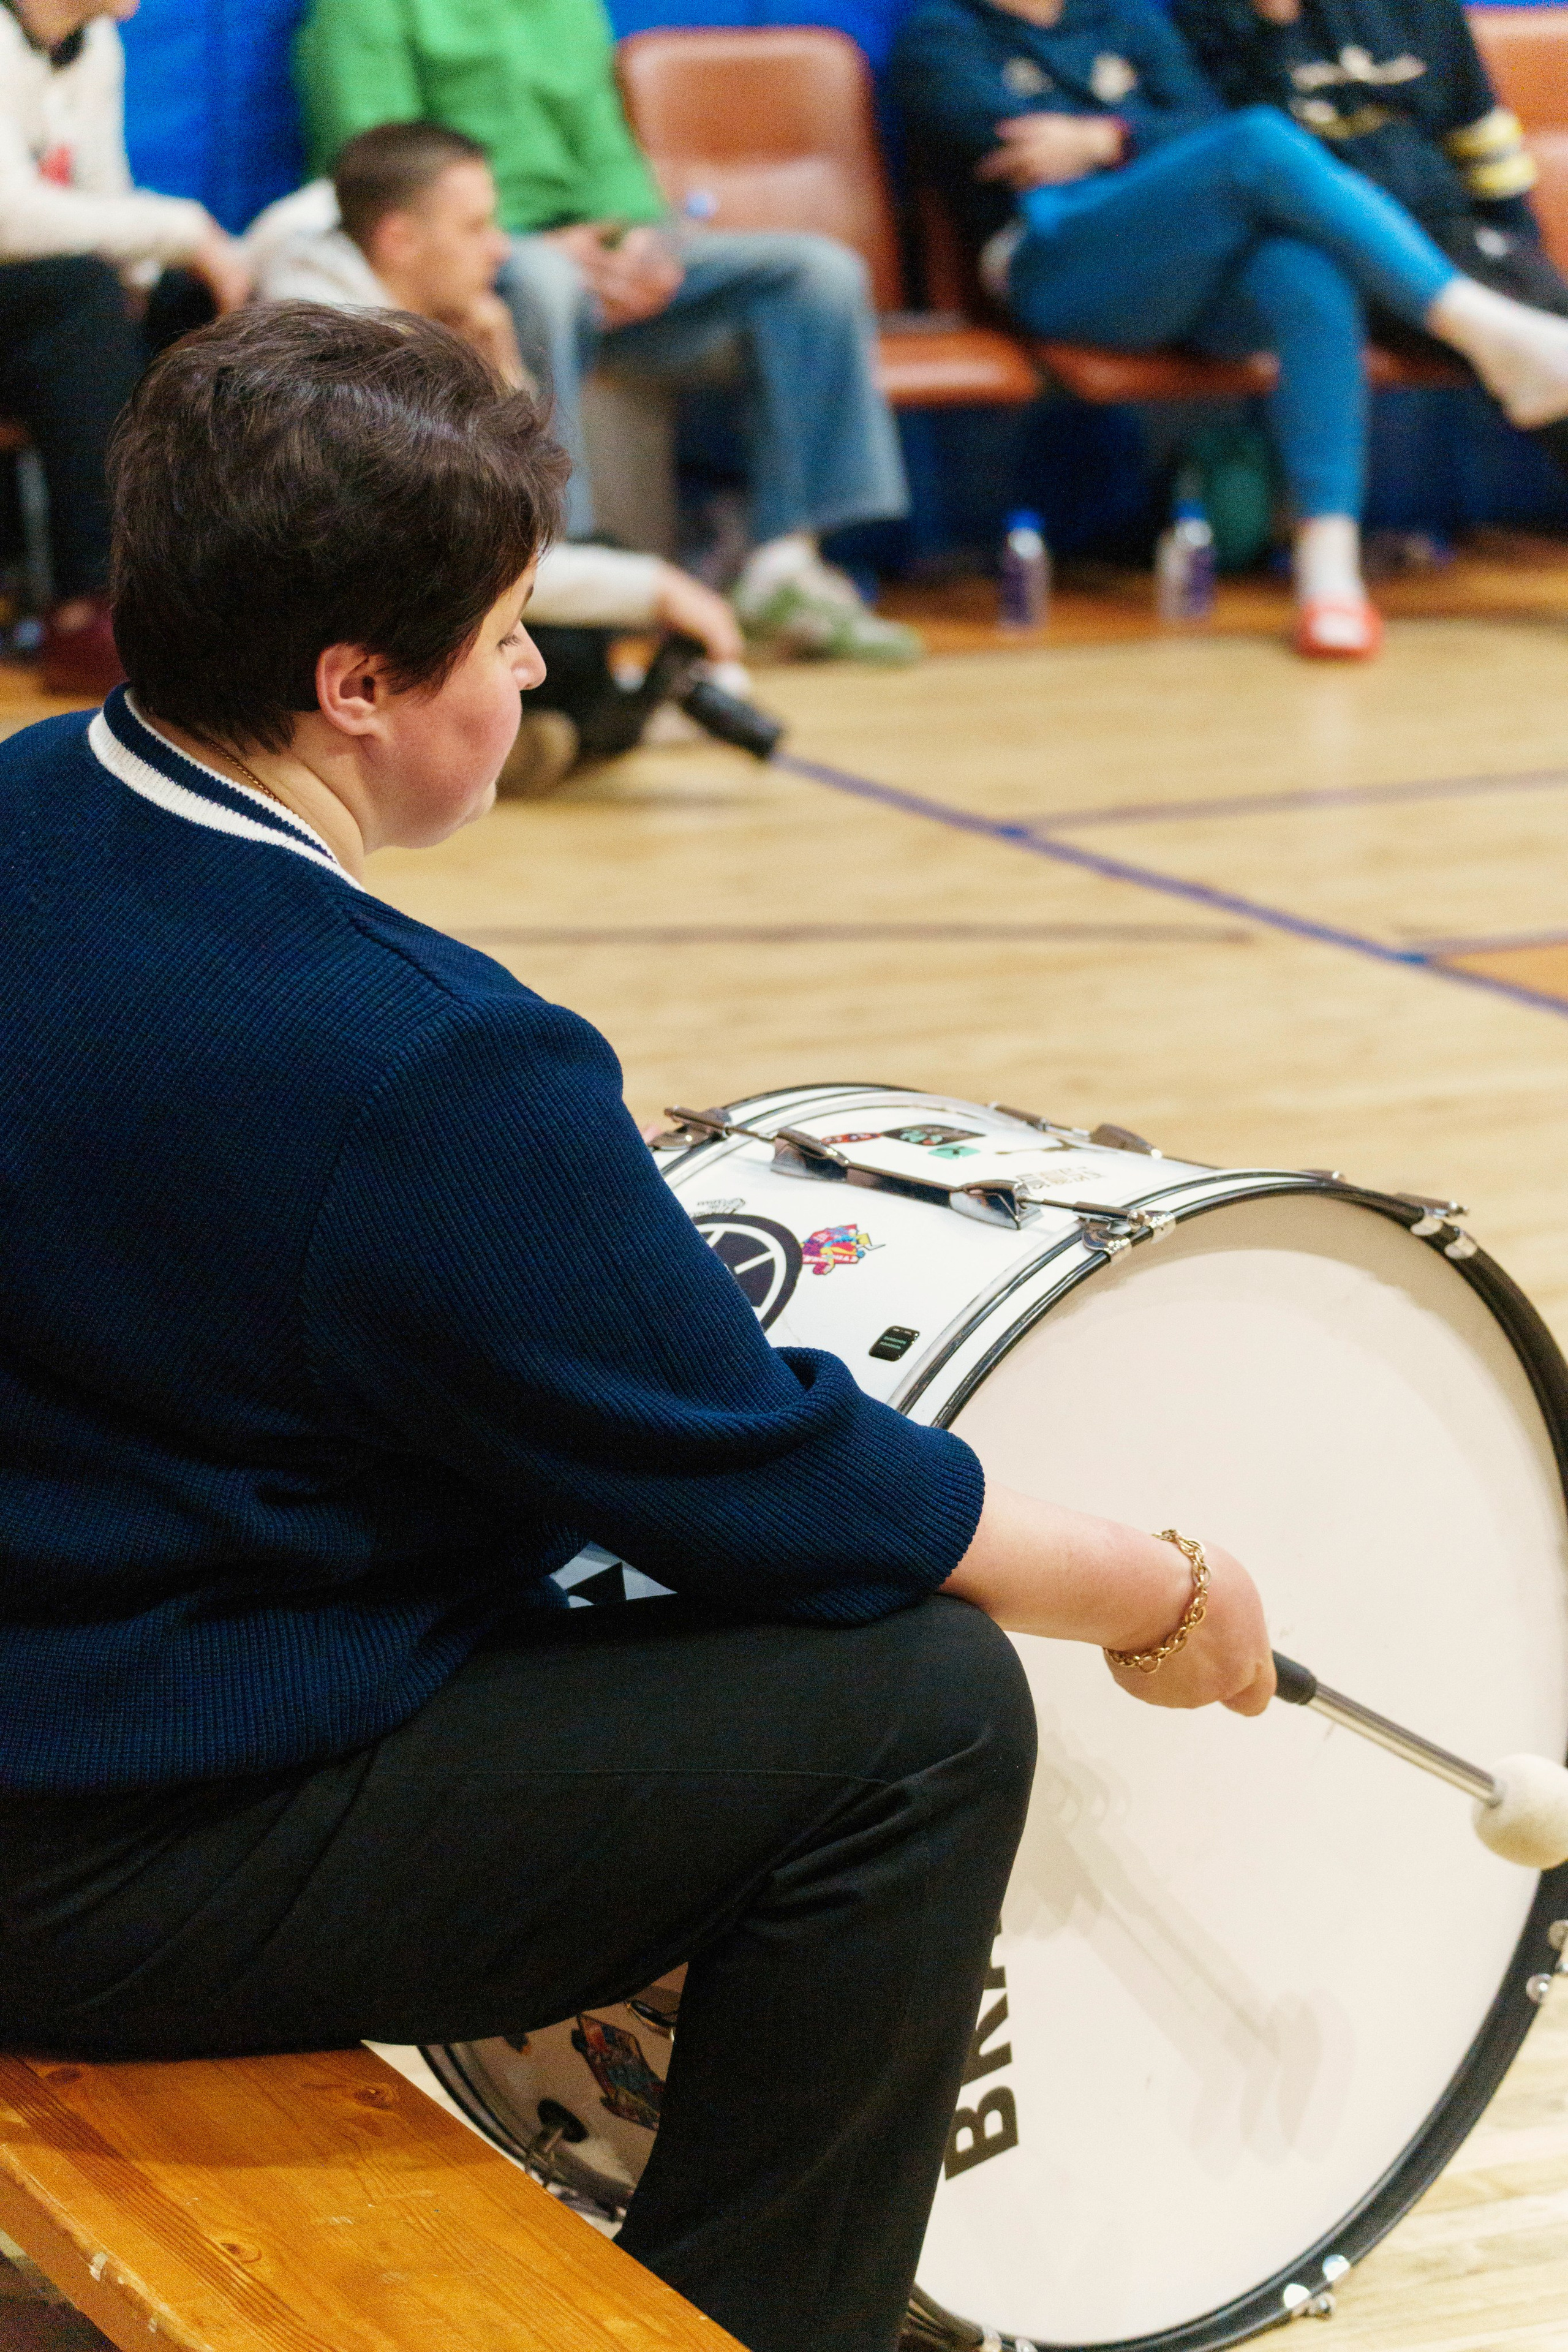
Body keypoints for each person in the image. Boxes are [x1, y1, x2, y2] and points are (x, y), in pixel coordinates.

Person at [0, 304, 1275, 2352]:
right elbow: (773, 1490)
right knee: (918, 1719)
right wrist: (1160, 1584)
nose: (530, 673)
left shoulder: (34, 794)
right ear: (355, 686)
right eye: (508, 635)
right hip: (89, 1860)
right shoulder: (427, 1063)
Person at [889, 0, 1568, 657]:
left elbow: (1202, 117)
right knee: (1258, 139)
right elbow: (1004, 146)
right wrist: (1142, 139)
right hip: (1059, 269)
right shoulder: (940, 36)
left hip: (1184, 257)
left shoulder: (1127, 20)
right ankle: (1490, 331)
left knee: (1304, 272)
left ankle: (1327, 573)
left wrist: (1102, 140)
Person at [292, 0, 923, 665]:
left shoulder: (569, 10)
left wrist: (635, 242)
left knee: (815, 274)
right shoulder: (364, 12)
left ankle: (784, 567)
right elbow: (382, 175)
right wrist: (538, 245)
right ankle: (553, 562)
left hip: (594, 257)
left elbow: (607, 150)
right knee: (544, 281)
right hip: (498, 252)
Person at [247, 119, 752, 794]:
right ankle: (452, 753)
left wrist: (502, 363)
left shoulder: (408, 320)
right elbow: (471, 551)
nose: (500, 249)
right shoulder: (349, 362)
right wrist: (657, 589)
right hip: (329, 642)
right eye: (476, 227)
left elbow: (526, 514)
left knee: (582, 590)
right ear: (399, 239)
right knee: (565, 635)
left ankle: (516, 739)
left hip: (381, 605)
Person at [1170, 0, 1568, 470]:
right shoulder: (1209, 16)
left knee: (1549, 315)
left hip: (1452, 235)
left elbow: (1480, 130)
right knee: (1536, 345)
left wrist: (1518, 243)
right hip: (1326, 248)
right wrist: (1272, 27)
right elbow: (1233, 159)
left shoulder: (1423, 10)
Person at [0, 0, 250, 696]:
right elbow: (8, 218)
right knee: (80, 295)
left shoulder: (95, 44)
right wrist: (186, 230)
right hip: (28, 292)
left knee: (185, 301)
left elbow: (106, 206)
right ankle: (97, 599)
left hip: (32, 308)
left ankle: (198, 575)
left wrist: (159, 274)